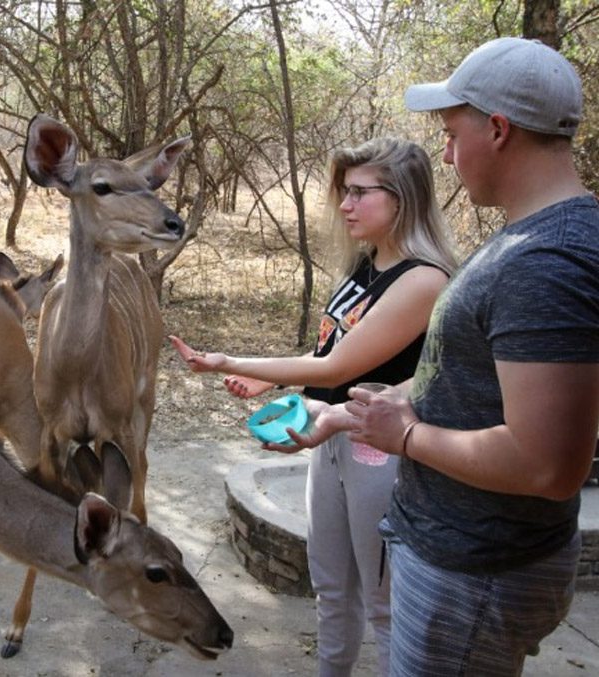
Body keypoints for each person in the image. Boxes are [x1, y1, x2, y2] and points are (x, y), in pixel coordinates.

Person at [283, 37, 599, 676]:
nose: (448, 155)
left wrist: (407, 433)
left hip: (475, 574)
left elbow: (548, 466)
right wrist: (386, 405)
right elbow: (480, 388)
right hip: (464, 560)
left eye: (454, 133)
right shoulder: (528, 240)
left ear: (500, 129)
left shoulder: (545, 263)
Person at [171, 136, 457, 676]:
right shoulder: (368, 265)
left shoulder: (423, 279)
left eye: (359, 193)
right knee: (331, 590)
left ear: (403, 198)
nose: (344, 205)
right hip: (328, 438)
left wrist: (232, 359)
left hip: (382, 454)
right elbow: (330, 354)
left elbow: (337, 371)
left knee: (383, 607)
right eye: (343, 193)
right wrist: (268, 386)